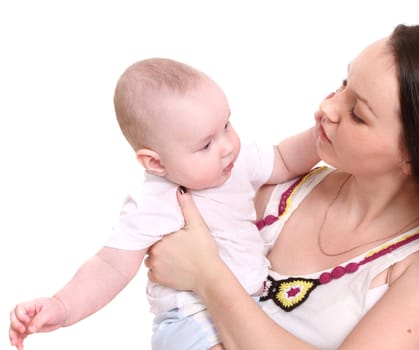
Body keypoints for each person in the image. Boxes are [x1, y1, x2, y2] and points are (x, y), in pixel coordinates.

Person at [144, 24, 419, 350]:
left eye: (358, 113)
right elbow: (167, 253)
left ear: (414, 155)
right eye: (344, 83)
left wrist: (208, 276)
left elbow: (192, 262)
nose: (327, 108)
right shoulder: (282, 192)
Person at [8, 58, 320, 350]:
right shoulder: (153, 202)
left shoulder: (238, 164)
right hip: (193, 320)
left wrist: (321, 134)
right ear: (155, 162)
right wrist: (62, 306)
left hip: (252, 304)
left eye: (226, 125)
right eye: (206, 144)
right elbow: (110, 266)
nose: (226, 147)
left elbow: (283, 158)